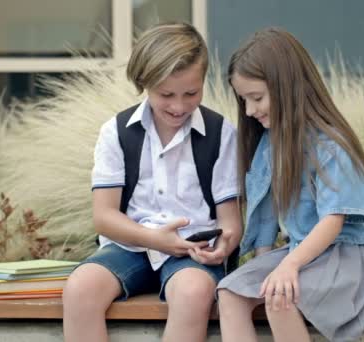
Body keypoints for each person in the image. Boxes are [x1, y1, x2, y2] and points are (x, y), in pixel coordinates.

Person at [63, 22, 242, 342]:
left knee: (193, 292)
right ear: (144, 82)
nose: (179, 106)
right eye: (166, 95)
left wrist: (223, 246)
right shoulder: (115, 132)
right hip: (129, 246)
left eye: (191, 93)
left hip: (191, 252)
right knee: (80, 288)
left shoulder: (221, 133)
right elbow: (104, 217)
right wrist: (155, 239)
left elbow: (230, 221)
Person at [216, 27, 364, 342]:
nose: (250, 111)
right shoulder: (270, 143)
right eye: (243, 101)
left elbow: (333, 221)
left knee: (280, 297)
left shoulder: (331, 144)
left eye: (256, 98)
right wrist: (265, 263)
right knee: (230, 292)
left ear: (287, 87)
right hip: (301, 250)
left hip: (347, 253)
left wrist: (288, 266)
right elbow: (265, 211)